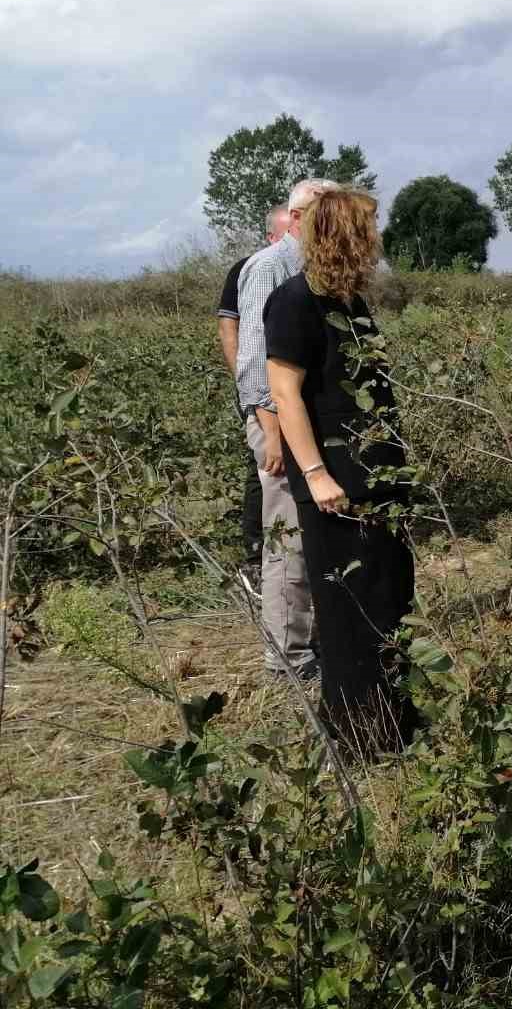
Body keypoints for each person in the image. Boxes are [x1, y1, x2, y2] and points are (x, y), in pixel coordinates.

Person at [265, 184, 416, 756]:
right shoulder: (294, 301)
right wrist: (316, 474)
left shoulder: (349, 302)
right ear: (345, 235)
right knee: (350, 606)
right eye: (369, 229)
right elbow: (285, 392)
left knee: (388, 594)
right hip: (336, 478)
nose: (377, 241)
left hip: (377, 475)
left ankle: (394, 723)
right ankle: (360, 740)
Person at [237, 180, 337, 679]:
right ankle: (287, 658)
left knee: (309, 535)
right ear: (298, 219)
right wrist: (272, 434)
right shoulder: (269, 267)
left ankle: (309, 639)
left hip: (303, 422)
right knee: (287, 539)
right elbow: (255, 364)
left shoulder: (318, 269)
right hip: (275, 423)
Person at [218, 205, 289, 579]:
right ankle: (255, 556)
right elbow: (230, 330)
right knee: (264, 466)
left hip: (289, 385)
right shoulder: (252, 268)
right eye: (280, 235)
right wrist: (247, 384)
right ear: (269, 237)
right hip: (257, 384)